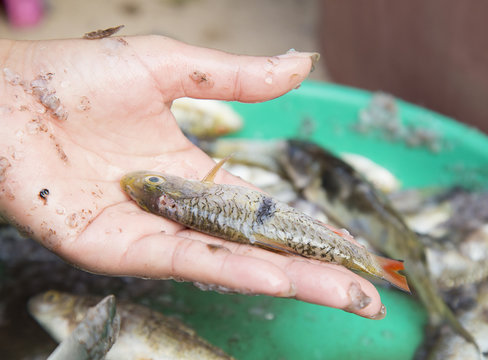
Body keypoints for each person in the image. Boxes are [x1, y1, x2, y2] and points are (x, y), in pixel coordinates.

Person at [0, 34, 383, 319]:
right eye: (150, 186)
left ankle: (375, 265)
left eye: (150, 185)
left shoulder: (185, 199)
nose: (147, 180)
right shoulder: (189, 195)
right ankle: (376, 265)